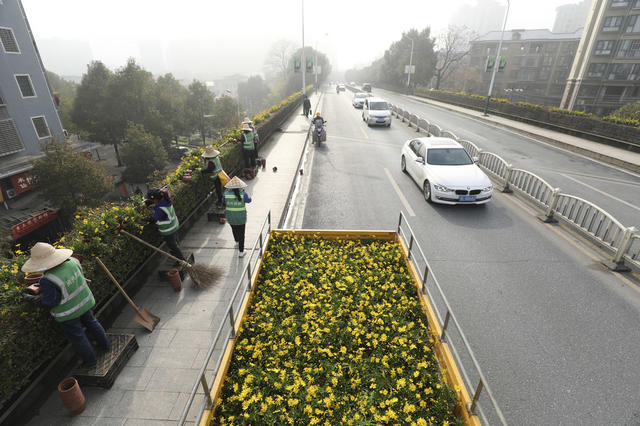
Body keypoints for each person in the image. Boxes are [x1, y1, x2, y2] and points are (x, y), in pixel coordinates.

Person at [21, 243, 110, 368]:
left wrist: (30, 299)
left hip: (68, 313)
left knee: (78, 337)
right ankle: (105, 345)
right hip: (85, 303)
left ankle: (91, 362)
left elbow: (50, 302)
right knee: (92, 322)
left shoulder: (47, 280)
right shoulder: (73, 262)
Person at [145, 188, 186, 262]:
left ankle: (181, 260)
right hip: (174, 225)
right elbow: (157, 203)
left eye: (151, 200)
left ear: (156, 199)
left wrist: (143, 220)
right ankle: (176, 254)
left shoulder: (160, 210)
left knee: (173, 246)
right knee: (175, 241)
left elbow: (152, 220)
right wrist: (150, 202)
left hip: (168, 230)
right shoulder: (165, 199)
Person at [222, 176, 252, 257]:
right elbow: (249, 200)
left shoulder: (226, 194)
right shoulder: (243, 194)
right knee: (242, 233)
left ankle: (237, 240)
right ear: (240, 186)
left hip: (230, 217)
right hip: (241, 217)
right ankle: (241, 252)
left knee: (234, 229)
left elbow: (223, 202)